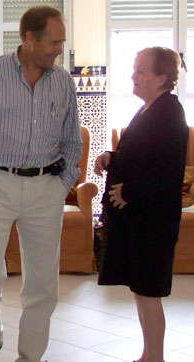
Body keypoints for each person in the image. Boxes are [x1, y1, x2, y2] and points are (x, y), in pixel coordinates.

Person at [0, 5, 82, 362]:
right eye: (53, 41)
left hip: (46, 187)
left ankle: (30, 356)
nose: (59, 49)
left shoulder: (63, 81)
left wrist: (62, 186)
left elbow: (73, 141)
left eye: (61, 41)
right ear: (29, 38)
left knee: (43, 283)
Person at [94, 47, 187, 362]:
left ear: (162, 78)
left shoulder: (170, 112)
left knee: (149, 292)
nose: (134, 76)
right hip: (138, 220)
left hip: (153, 222)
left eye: (141, 70)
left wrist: (129, 192)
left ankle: (155, 358)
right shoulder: (150, 108)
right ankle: (148, 354)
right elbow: (141, 154)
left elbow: (166, 169)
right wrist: (112, 158)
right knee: (141, 291)